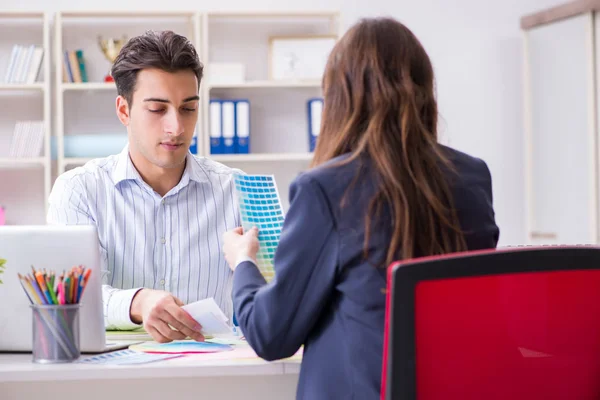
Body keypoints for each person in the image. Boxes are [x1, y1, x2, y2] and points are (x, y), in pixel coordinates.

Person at [222, 17, 500, 400]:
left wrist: (243, 264)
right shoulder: (471, 177)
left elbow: (271, 335)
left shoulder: (325, 189)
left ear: (338, 97)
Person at [48, 30, 242, 343]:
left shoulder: (238, 192)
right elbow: (71, 299)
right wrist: (138, 302)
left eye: (188, 109)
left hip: (211, 380)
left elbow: (278, 300)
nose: (176, 128)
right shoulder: (79, 191)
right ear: (124, 110)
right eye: (157, 109)